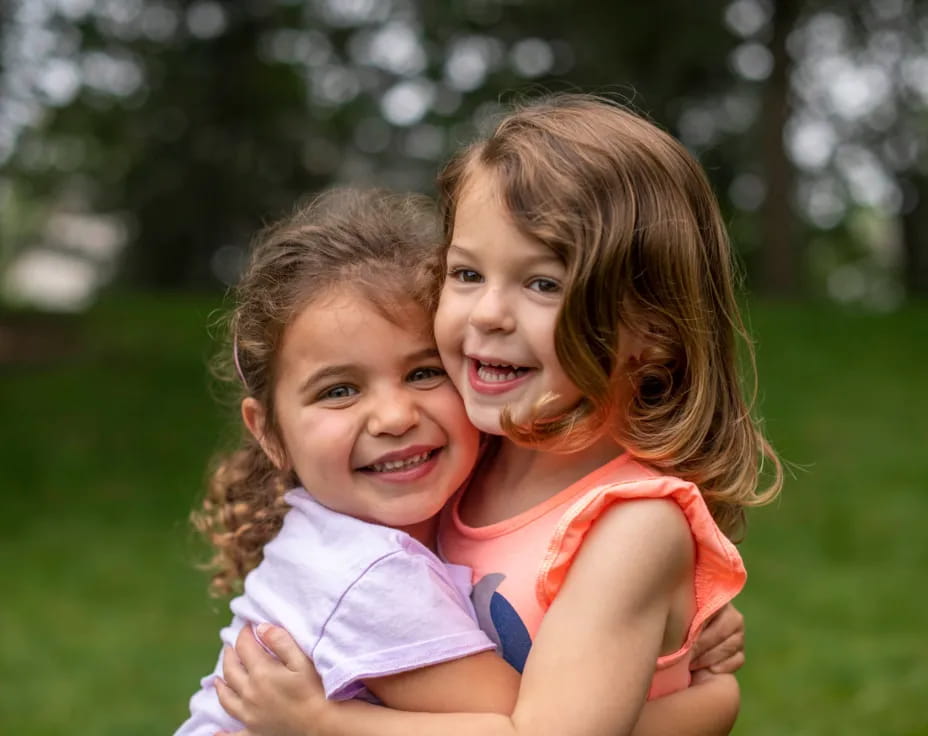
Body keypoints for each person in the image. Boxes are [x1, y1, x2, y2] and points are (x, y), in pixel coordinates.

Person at [213, 94, 781, 736]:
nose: (487, 313)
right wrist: (705, 699)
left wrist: (326, 727)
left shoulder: (632, 527)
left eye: (542, 282)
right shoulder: (467, 465)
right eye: (466, 273)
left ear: (653, 327)